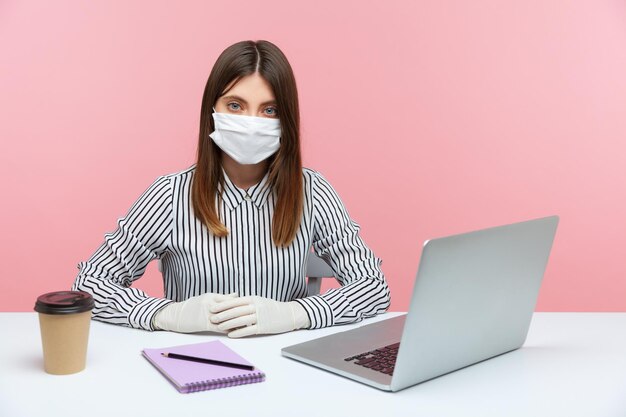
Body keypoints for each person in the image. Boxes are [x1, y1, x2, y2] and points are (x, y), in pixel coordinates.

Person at [72, 40, 390, 338]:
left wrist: (297, 314)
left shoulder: (313, 192)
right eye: (236, 105)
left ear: (285, 120)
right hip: (194, 365)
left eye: (269, 110)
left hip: (285, 371)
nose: (252, 121)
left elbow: (373, 287)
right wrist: (166, 314)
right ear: (212, 110)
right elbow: (90, 284)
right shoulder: (170, 195)